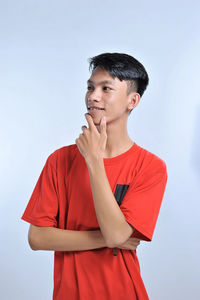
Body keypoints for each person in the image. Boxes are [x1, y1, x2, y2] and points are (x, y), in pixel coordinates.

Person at [21, 52, 168, 300]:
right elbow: (37, 237)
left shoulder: (150, 167)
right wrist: (111, 239)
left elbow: (116, 235)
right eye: (90, 87)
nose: (93, 96)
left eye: (106, 88)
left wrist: (94, 160)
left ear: (133, 101)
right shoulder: (59, 161)